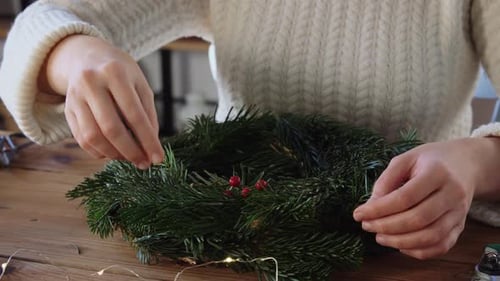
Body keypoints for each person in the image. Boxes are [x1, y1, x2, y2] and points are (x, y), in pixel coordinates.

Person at [1, 0, 499, 260]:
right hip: (232, 245)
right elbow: (40, 22)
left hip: (413, 252)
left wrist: (477, 163)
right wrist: (75, 54)